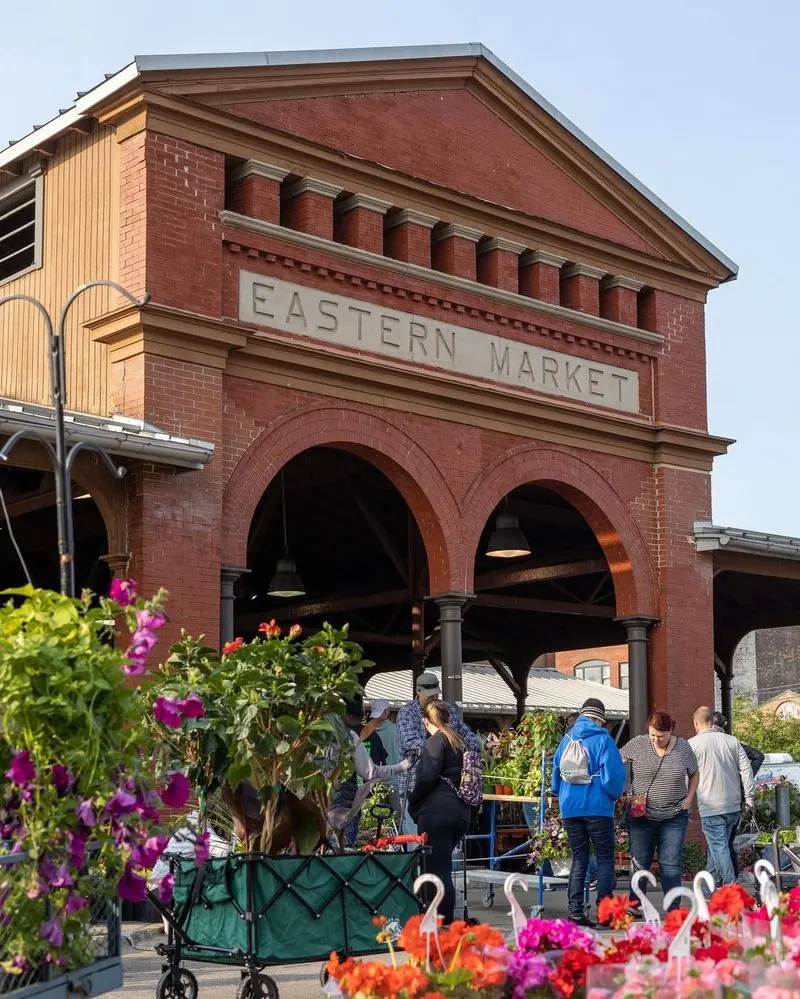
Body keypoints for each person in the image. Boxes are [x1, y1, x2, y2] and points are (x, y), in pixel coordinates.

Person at [552, 698, 626, 928]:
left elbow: (555, 776)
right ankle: (604, 914)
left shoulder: (566, 739)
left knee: (579, 858)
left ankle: (575, 912)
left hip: (570, 807)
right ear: (600, 719)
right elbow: (613, 779)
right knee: (604, 859)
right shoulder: (604, 740)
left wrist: (562, 794)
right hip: (598, 807)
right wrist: (613, 795)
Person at [621, 710, 699, 907]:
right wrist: (619, 787)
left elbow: (695, 773)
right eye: (652, 735)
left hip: (674, 816)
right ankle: (635, 905)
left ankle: (673, 908)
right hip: (641, 816)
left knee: (670, 864)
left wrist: (689, 798)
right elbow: (615, 761)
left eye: (660, 736)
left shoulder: (682, 747)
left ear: (670, 730)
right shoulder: (638, 743)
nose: (655, 739)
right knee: (639, 862)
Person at [407, 699, 473, 924]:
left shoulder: (436, 741)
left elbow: (427, 777)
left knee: (436, 870)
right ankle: (444, 919)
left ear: (425, 721)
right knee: (443, 867)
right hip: (460, 812)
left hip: (436, 813)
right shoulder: (459, 741)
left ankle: (439, 921)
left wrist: (413, 800)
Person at [397, 672, 480, 833]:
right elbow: (411, 743)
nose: (433, 698)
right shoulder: (407, 712)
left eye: (435, 694)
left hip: (447, 789)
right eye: (429, 695)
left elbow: (466, 733)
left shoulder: (447, 709)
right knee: (416, 838)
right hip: (415, 785)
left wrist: (473, 745)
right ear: (418, 691)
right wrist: (445, 748)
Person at [329, 697, 412, 847]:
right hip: (343, 805)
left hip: (316, 806)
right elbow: (371, 772)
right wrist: (401, 766)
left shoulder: (313, 736)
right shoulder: (349, 736)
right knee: (343, 854)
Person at [689, 706, 755, 887]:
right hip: (733, 805)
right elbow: (746, 770)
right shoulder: (732, 741)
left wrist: (684, 801)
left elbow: (684, 776)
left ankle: (731, 885)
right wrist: (749, 797)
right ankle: (708, 888)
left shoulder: (692, 745)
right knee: (718, 847)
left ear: (696, 723)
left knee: (718, 847)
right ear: (713, 721)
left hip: (710, 806)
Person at [712, 710, 764, 878]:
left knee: (720, 843)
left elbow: (758, 756)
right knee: (725, 842)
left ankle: (726, 880)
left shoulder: (725, 743)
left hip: (720, 798)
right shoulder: (731, 743)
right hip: (733, 798)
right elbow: (758, 756)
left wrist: (742, 782)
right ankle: (729, 878)